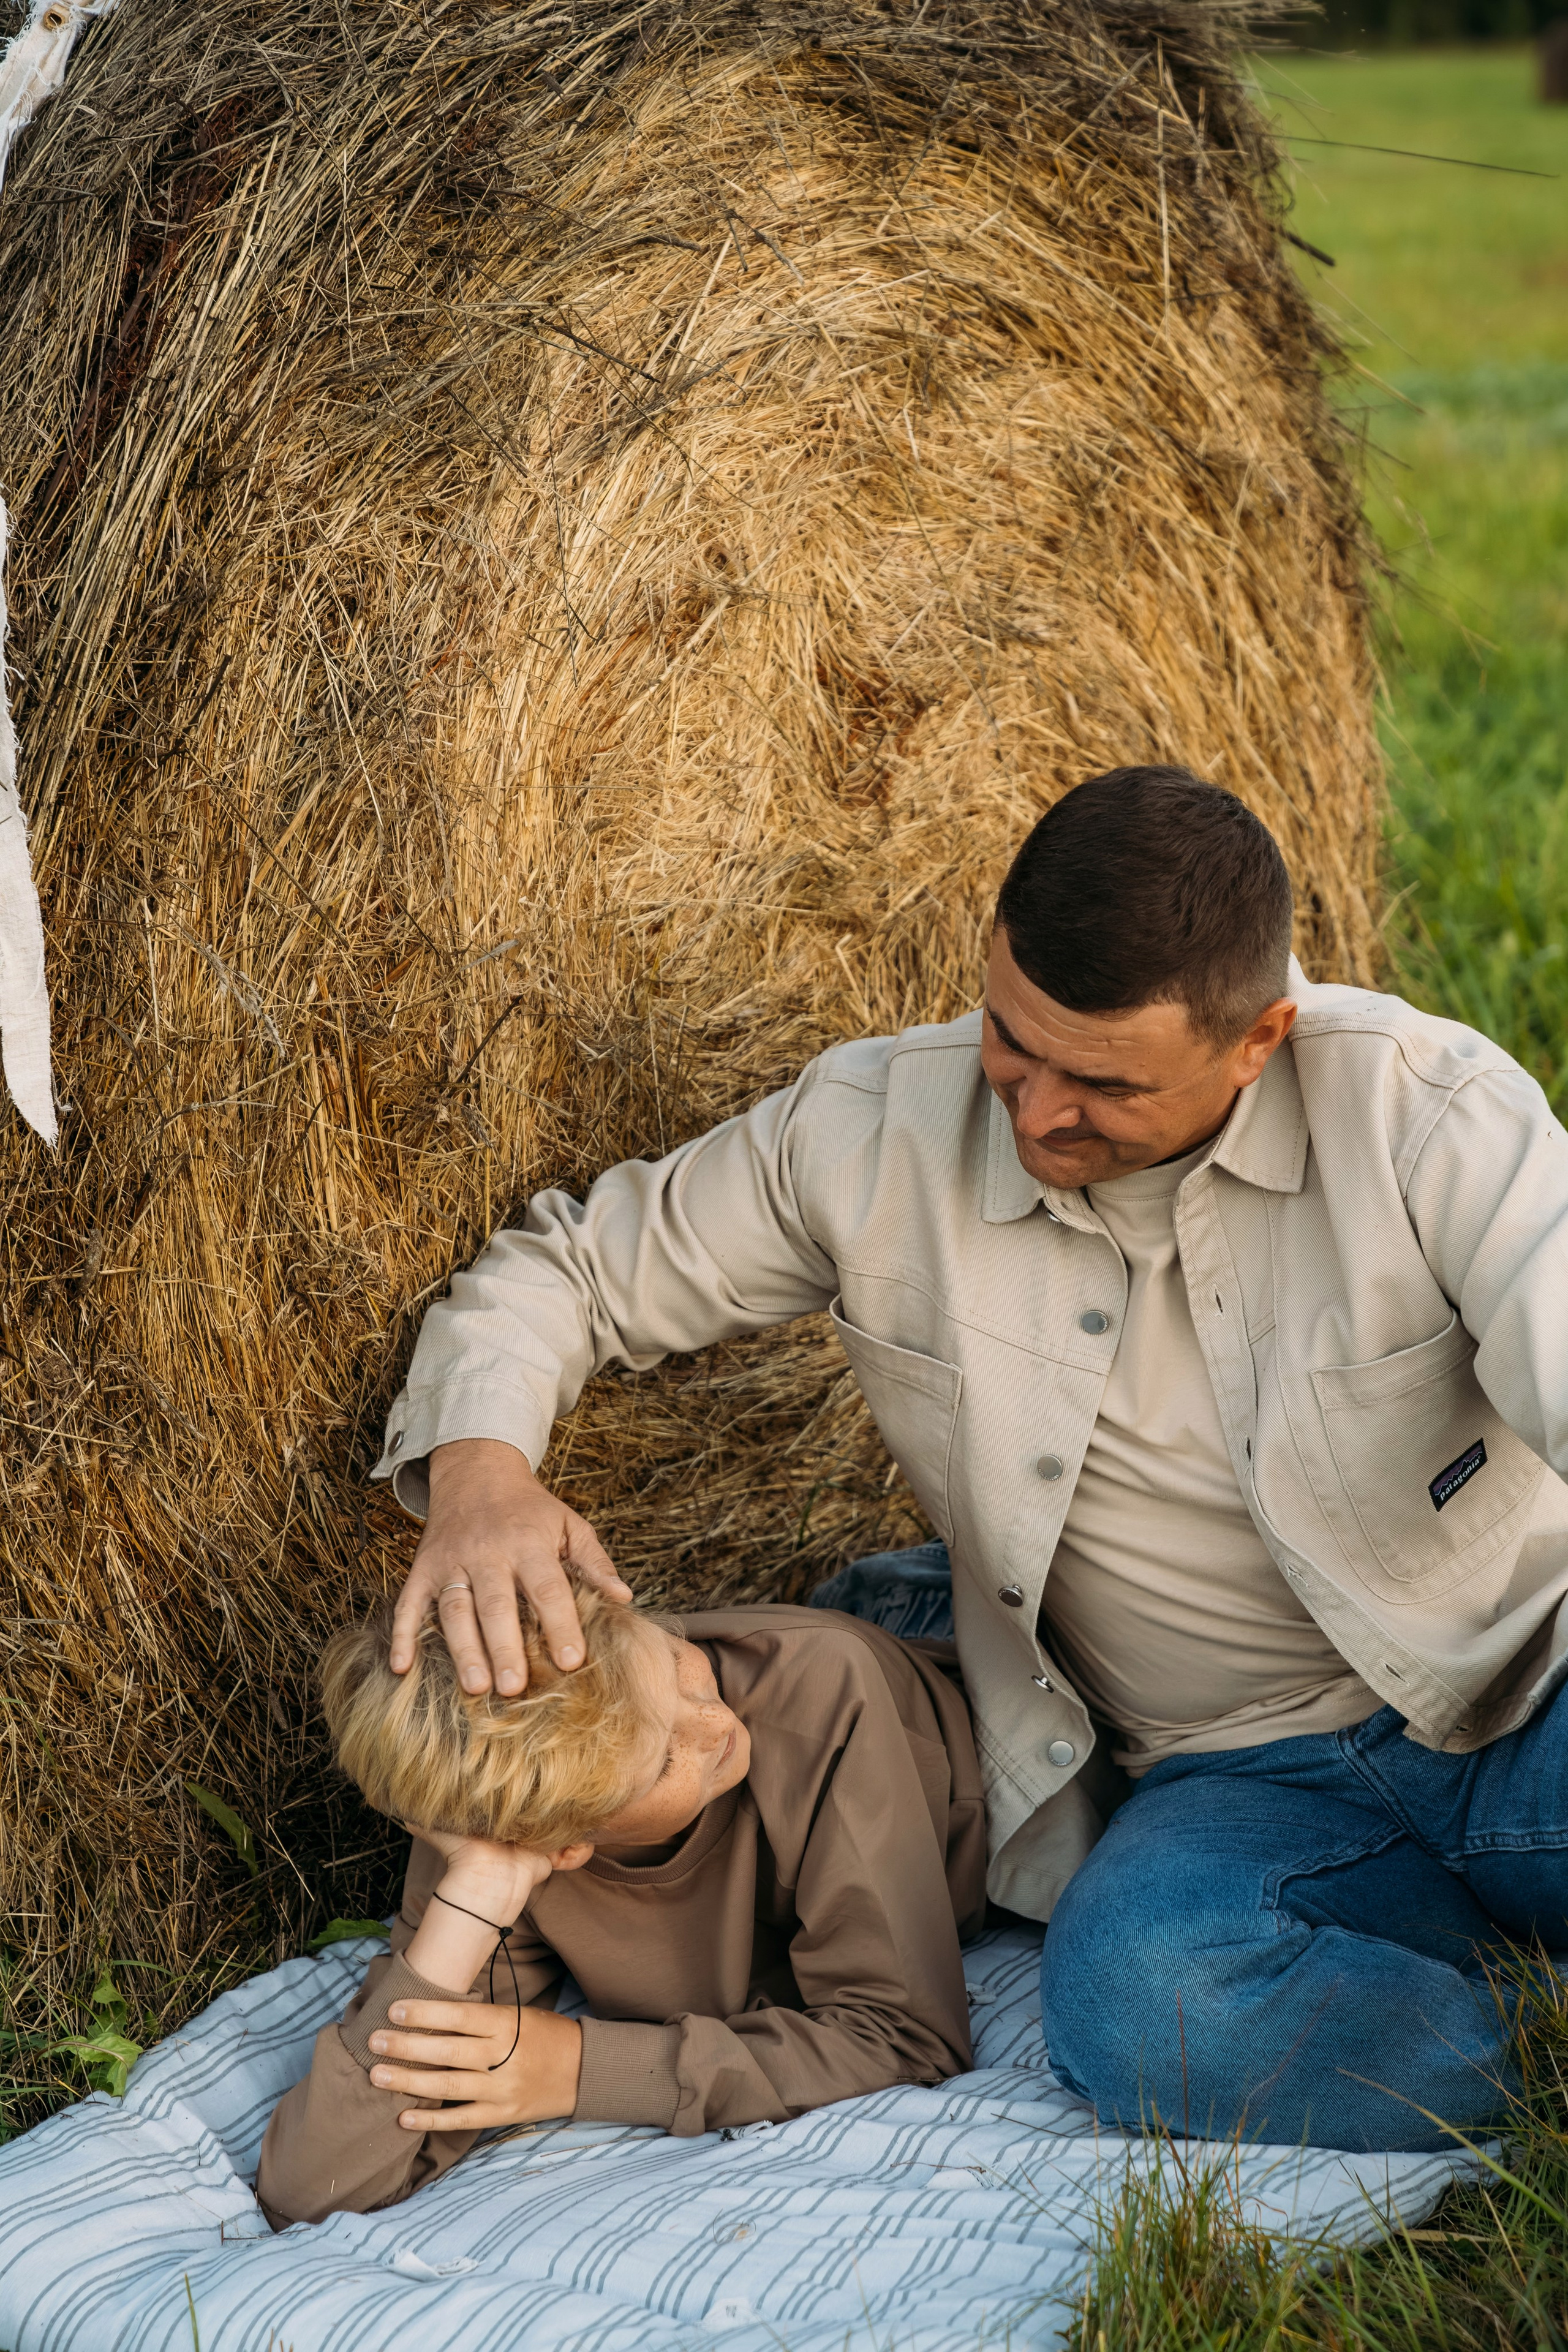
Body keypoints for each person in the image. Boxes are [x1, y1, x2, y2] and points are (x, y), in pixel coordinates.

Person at [370, 764, 1568, 2152]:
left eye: (1102, 1082)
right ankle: (1525, 2061)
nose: (1036, 1111)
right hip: (1225, 1780)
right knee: (1132, 1998)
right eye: (1013, 1037)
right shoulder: (873, 1129)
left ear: (1258, 1040)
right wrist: (478, 1475)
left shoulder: (1425, 1116)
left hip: (1520, 1685)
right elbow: (569, 1268)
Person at [257, 1582, 986, 2225]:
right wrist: (473, 1899)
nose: (718, 1724)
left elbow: (906, 2038)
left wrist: (580, 2068)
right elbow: (313, 2188)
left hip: (964, 1671)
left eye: (673, 1661)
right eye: (666, 1759)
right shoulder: (510, 1819)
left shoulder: (823, 1699)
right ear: (564, 1846)